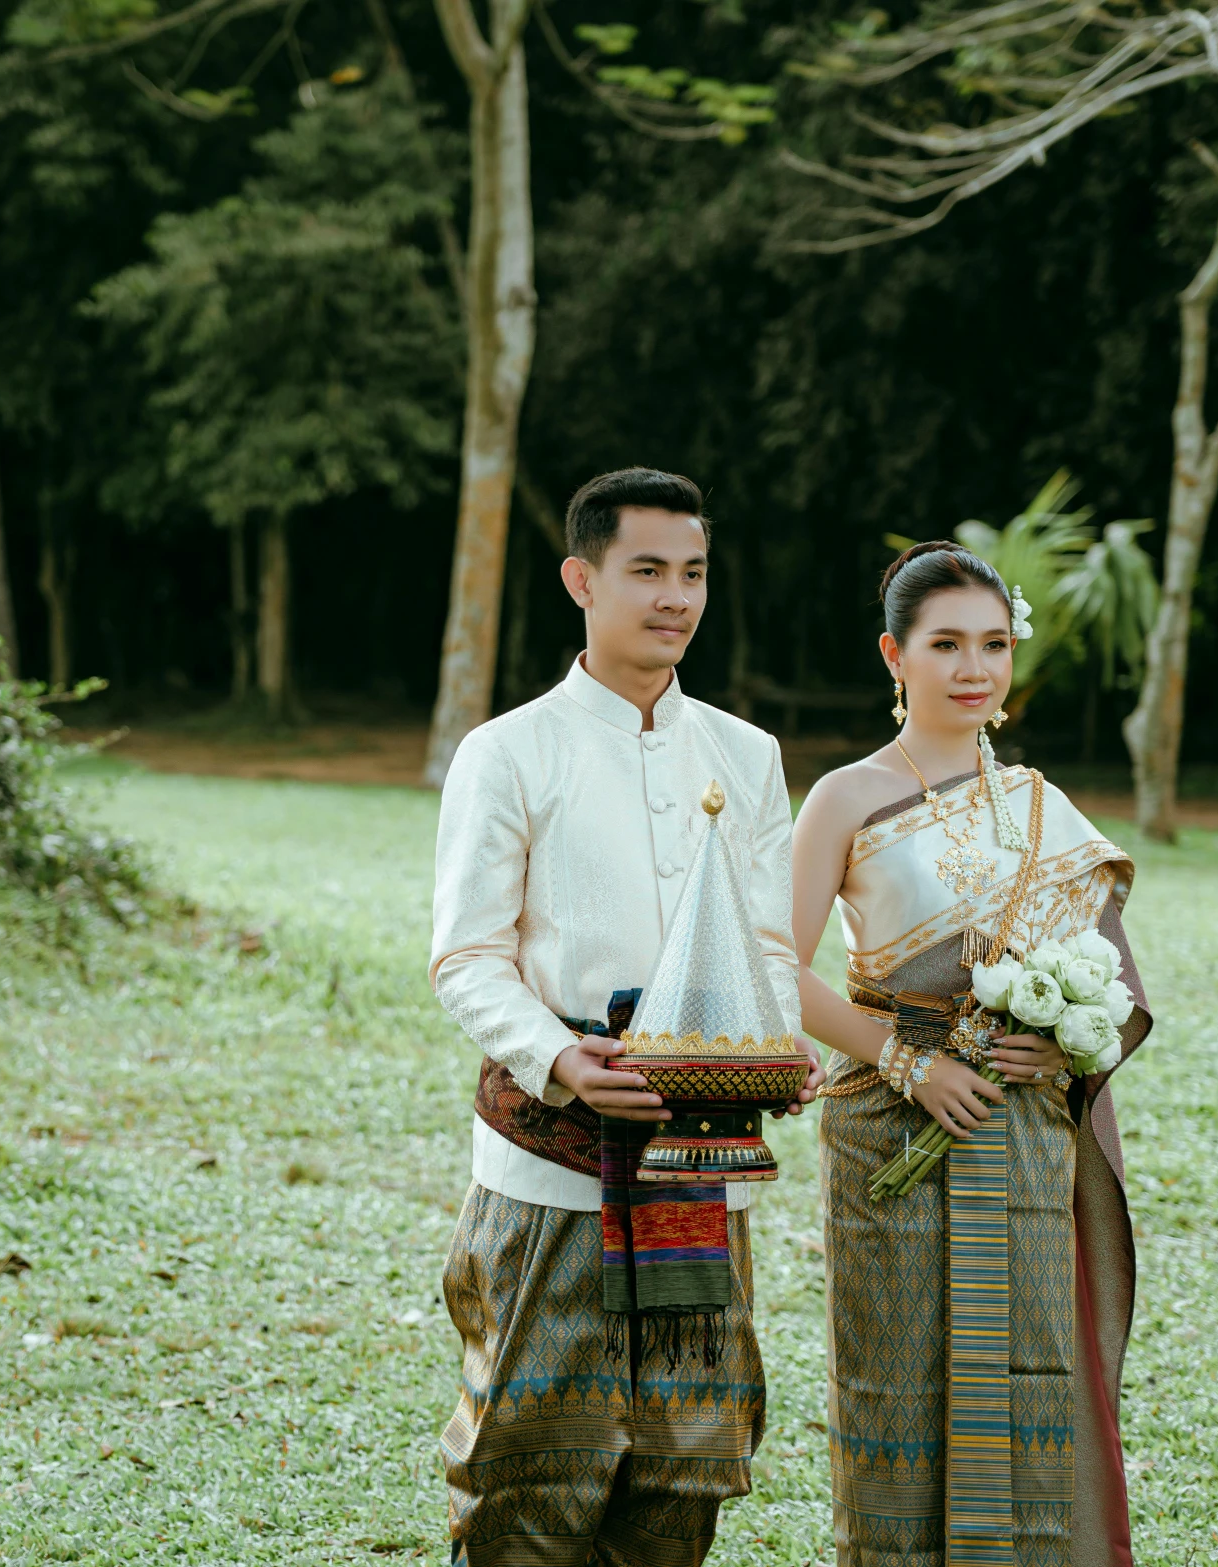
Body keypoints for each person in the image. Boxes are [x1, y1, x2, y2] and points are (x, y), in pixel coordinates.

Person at [428, 467, 817, 1566]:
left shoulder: (745, 756)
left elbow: (770, 947)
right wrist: (561, 1058)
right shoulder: (509, 750)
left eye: (693, 573)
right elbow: (465, 957)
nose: (674, 597)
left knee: (679, 1475)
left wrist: (772, 1050)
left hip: (701, 1166)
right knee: (527, 1473)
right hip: (549, 1170)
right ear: (580, 578)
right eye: (646, 570)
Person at [789, 542, 1152, 1566]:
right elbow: (773, 966)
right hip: (887, 1129)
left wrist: (1060, 1044)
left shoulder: (1042, 805)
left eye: (991, 644)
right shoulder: (847, 797)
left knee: (1023, 1371)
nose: (971, 667)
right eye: (944, 643)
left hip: (1021, 1140)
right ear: (892, 655)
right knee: (893, 1382)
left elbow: (1113, 988)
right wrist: (910, 1065)